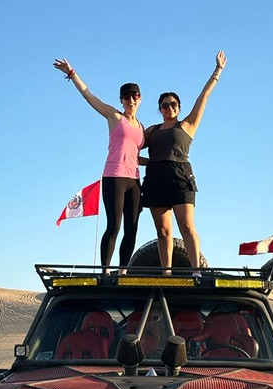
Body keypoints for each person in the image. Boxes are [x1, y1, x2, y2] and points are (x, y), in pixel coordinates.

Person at [53, 59, 144, 271]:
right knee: (114, 226)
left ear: (140, 99)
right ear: (121, 100)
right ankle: (105, 270)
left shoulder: (142, 128)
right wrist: (72, 73)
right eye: (127, 96)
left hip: (135, 179)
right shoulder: (114, 116)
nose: (131, 99)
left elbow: (136, 155)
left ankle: (123, 271)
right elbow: (89, 96)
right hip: (115, 177)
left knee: (132, 229)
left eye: (135, 96)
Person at [139, 51, 227, 271]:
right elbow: (130, 148)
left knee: (186, 226)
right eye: (165, 105)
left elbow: (203, 97)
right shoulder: (152, 130)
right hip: (155, 179)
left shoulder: (187, 125)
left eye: (173, 104)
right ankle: (166, 274)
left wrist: (217, 72)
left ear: (179, 107)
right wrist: (146, 163)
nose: (170, 108)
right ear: (160, 109)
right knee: (163, 231)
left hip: (180, 178)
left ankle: (197, 271)